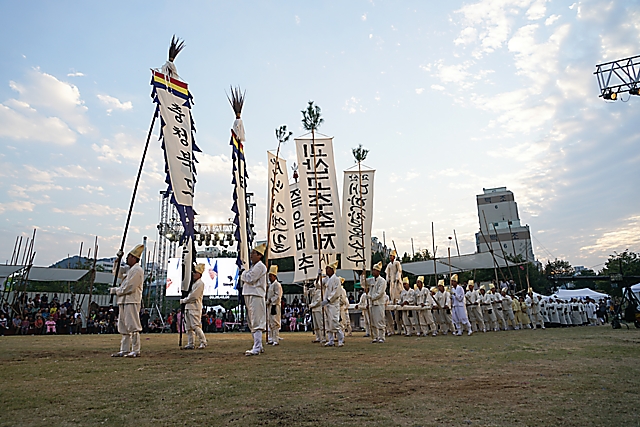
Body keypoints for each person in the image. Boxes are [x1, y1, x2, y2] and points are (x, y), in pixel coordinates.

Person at [110, 244, 144, 357]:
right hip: (123, 300)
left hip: (132, 300)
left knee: (133, 325)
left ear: (134, 258)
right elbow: (117, 273)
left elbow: (130, 287)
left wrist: (117, 290)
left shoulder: (137, 270)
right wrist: (117, 260)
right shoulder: (129, 269)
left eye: (129, 256)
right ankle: (124, 349)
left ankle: (135, 349)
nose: (127, 258)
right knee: (123, 325)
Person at [241, 243, 268, 356]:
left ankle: (257, 347)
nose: (251, 255)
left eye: (253, 253)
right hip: (250, 294)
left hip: (256, 295)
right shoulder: (254, 267)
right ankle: (258, 345)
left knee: (256, 321)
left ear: (259, 255)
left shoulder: (260, 266)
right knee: (252, 321)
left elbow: (250, 278)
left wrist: (243, 273)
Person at [180, 263, 208, 350]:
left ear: (199, 274)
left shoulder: (200, 284)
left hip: (195, 307)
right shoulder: (193, 283)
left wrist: (184, 300)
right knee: (188, 327)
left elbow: (194, 296)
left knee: (196, 326)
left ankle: (203, 342)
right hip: (188, 307)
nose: (193, 274)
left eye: (195, 272)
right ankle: (190, 343)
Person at [321, 261, 345, 347]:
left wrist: (328, 299)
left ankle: (340, 339)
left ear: (333, 270)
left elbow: (336, 292)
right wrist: (318, 276)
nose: (327, 270)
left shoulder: (336, 279)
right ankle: (330, 340)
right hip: (327, 305)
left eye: (328, 269)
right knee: (327, 322)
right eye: (326, 269)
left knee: (334, 321)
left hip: (333, 304)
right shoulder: (326, 279)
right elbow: (318, 285)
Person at [368, 262, 387, 343]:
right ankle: (375, 336)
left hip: (379, 303)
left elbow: (380, 293)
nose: (373, 272)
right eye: (373, 270)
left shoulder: (382, 281)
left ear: (378, 272)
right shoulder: (371, 280)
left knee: (380, 320)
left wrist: (371, 297)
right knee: (372, 321)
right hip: (372, 304)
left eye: (375, 270)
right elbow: (363, 283)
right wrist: (362, 274)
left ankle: (382, 337)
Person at [385, 250, 403, 334]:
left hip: (397, 282)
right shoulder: (389, 265)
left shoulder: (397, 263)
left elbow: (399, 271)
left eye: (391, 256)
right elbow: (387, 273)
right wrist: (388, 279)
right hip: (392, 282)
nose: (390, 257)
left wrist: (397, 278)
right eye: (390, 256)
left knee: (398, 292)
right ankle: (397, 330)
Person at [266, 265, 283, 346]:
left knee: (275, 322)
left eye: (271, 276)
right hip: (270, 305)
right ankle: (271, 338)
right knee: (270, 322)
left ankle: (276, 339)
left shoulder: (277, 285)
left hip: (275, 305)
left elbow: (278, 296)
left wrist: (270, 300)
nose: (269, 278)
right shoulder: (270, 285)